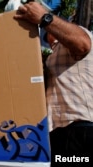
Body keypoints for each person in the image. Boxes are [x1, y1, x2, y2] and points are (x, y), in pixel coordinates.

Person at [14, 1, 93, 166]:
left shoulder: (75, 38)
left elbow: (82, 44)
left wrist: (44, 18)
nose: (48, 38)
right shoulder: (52, 57)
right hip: (59, 133)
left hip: (79, 129)